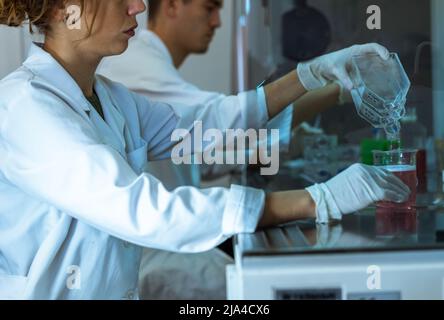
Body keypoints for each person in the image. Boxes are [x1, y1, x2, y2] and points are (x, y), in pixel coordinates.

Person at [0, 0, 409, 300]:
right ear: (62, 11)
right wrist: (314, 200)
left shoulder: (110, 97)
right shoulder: (28, 108)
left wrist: (311, 73)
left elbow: (209, 126)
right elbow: (144, 211)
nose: (138, 6)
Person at [97, 0, 364, 299]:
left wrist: (266, 152)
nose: (217, 23)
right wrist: (337, 89)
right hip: (155, 256)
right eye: (208, 9)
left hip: (172, 239)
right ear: (172, 6)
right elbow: (225, 123)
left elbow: (199, 150)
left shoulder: (150, 66)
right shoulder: (139, 63)